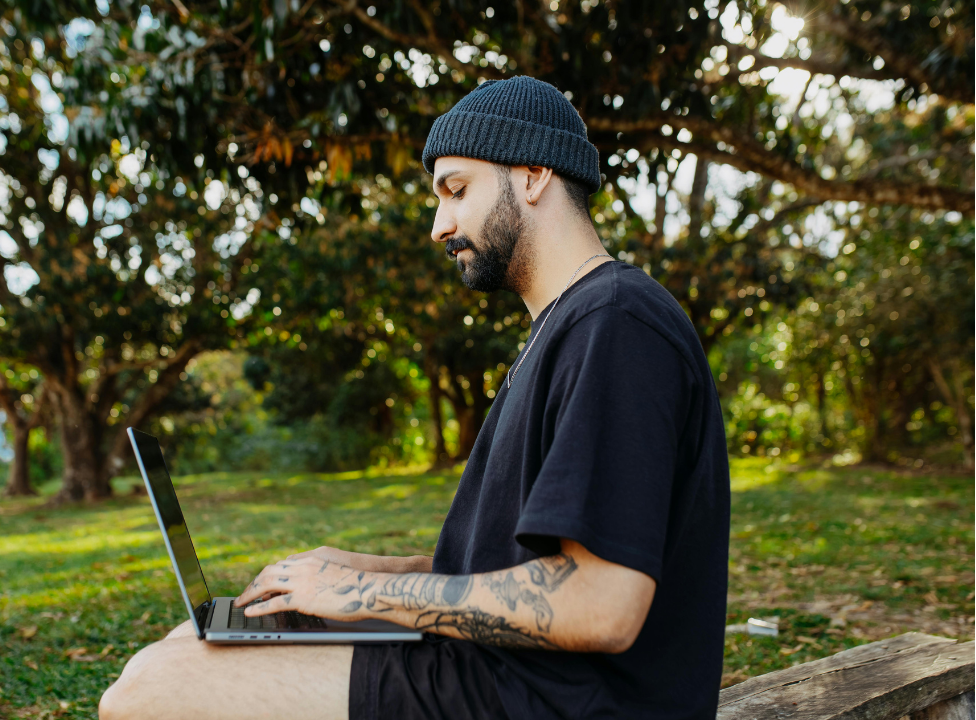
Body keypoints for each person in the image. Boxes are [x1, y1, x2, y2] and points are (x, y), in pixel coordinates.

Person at [99, 75, 730, 720]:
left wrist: (365, 596)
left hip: (555, 699)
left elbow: (601, 603)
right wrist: (360, 572)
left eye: (457, 190)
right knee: (188, 644)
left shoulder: (617, 325)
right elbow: (505, 565)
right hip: (504, 671)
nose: (439, 225)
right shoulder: (565, 327)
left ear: (535, 173)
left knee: (150, 693)